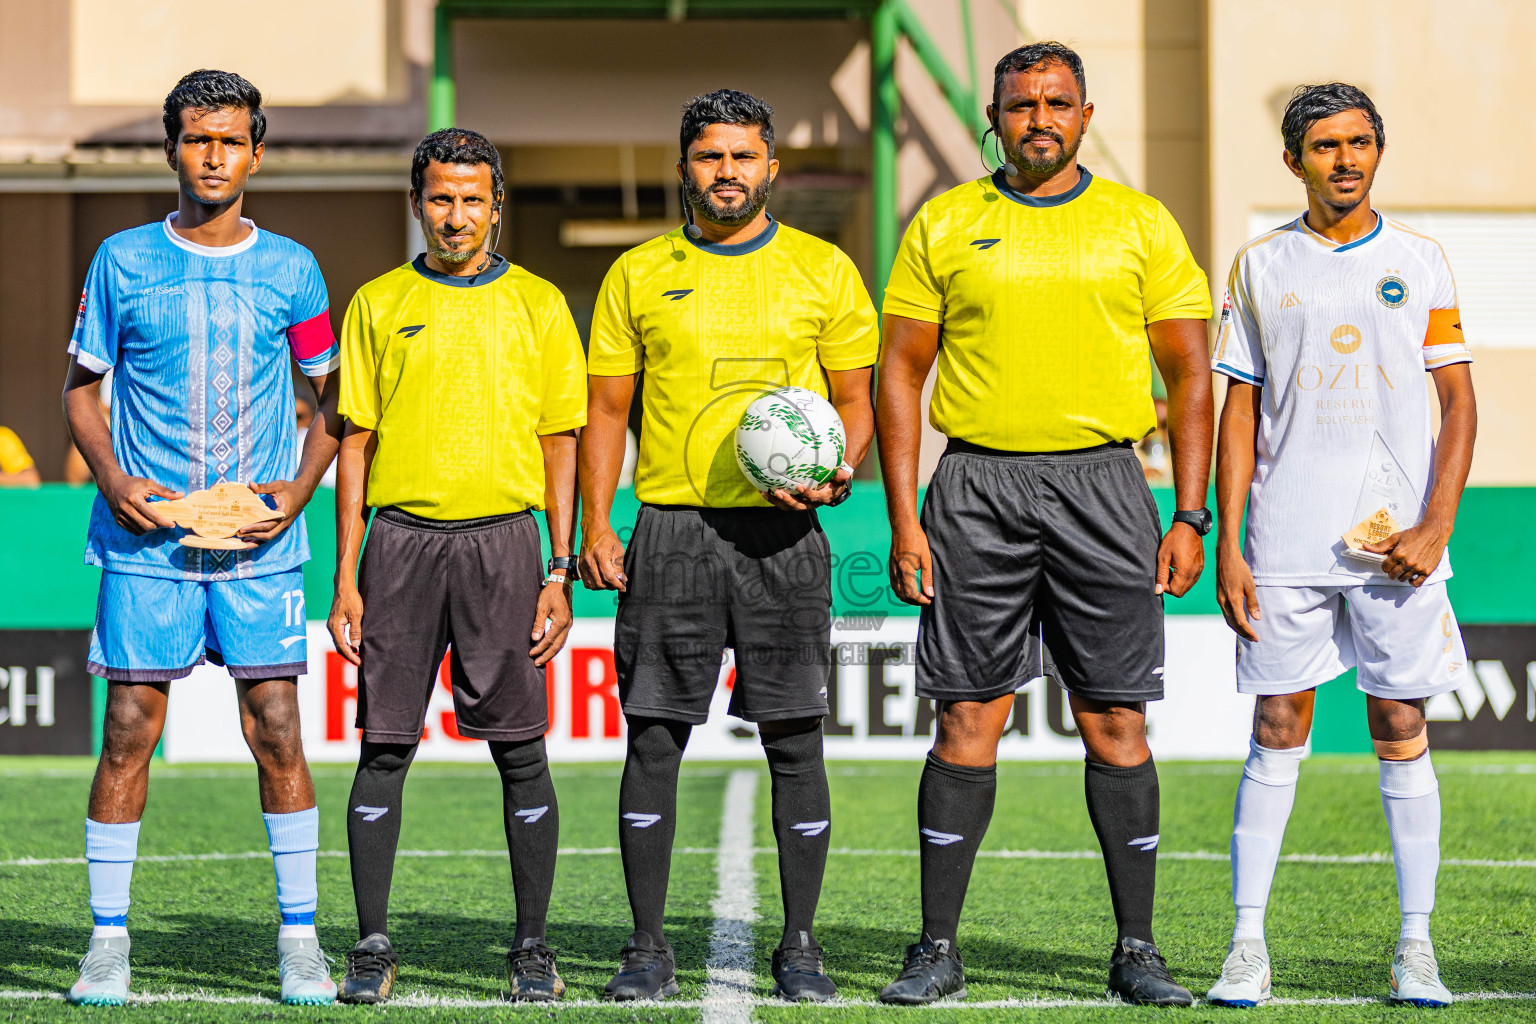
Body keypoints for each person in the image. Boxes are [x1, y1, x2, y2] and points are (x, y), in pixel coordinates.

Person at [874, 42, 1213, 1006]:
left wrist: (1189, 512)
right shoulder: (944, 221)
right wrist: (906, 518)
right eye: (1020, 104)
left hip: (1106, 487)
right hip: (975, 486)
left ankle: (1137, 949)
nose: (1039, 119)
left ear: (1085, 114)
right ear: (995, 114)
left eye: (1056, 103)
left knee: (1114, 718)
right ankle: (937, 946)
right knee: (968, 715)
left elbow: (1190, 376)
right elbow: (899, 372)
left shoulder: (1140, 225)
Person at [579, 89, 877, 1003]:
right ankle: (646, 948)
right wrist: (597, 521)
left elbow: (855, 401)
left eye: (744, 157)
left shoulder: (824, 270)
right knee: (654, 737)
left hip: (785, 533)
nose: (728, 173)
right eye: (710, 157)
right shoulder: (636, 273)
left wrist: (840, 472)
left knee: (795, 737)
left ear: (771, 168)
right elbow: (605, 411)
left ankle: (799, 946)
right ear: (684, 168)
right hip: (670, 529)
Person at [59, 69, 343, 1006]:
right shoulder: (122, 258)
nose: (213, 155)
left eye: (230, 140)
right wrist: (113, 478)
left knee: (278, 730)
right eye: (195, 138)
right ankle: (107, 942)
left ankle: (299, 941)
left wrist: (298, 493)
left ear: (256, 153)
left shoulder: (294, 268)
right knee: (129, 731)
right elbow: (81, 390)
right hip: (147, 544)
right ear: (171, 149)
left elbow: (333, 402)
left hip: (260, 546)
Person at [1204, 83, 1475, 1009]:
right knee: (1277, 726)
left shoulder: (1422, 261)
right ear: (1293, 161)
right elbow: (1236, 412)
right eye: (1325, 146)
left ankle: (1415, 947)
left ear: (1378, 152)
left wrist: (1436, 524)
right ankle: (1246, 947)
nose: (1346, 160)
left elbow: (1460, 402)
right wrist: (1230, 544)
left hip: (1399, 543)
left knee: (1401, 728)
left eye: (1360, 142)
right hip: (1282, 539)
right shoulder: (1257, 265)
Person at [326, 128, 585, 1005]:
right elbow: (352, 446)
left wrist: (560, 568)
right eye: (441, 197)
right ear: (416, 204)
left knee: (520, 751)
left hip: (508, 547)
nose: (457, 215)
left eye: (473, 198)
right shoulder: (376, 302)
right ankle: (369, 943)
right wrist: (345, 576)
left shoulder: (542, 304)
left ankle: (532, 947)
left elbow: (562, 446)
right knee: (384, 747)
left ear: (497, 205)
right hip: (399, 546)